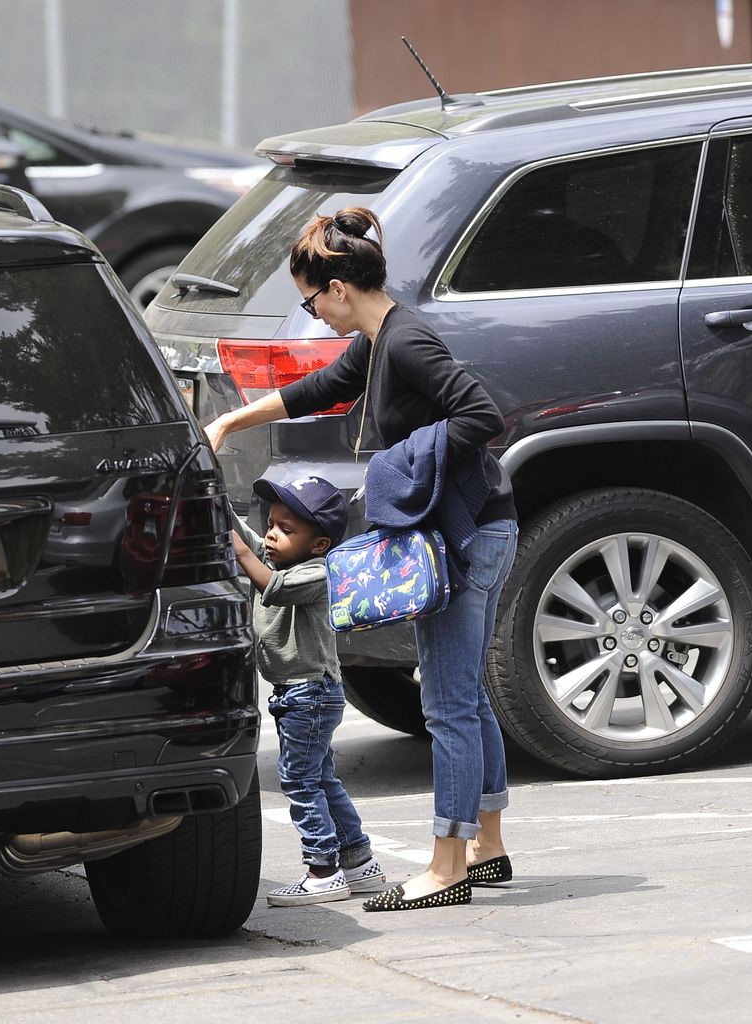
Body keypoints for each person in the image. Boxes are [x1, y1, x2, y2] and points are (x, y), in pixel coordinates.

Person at [207, 207, 518, 912]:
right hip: (472, 529)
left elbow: (480, 416)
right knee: (463, 696)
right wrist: (230, 419)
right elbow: (321, 389)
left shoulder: (406, 343)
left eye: (311, 298)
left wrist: (399, 467)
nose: (312, 312)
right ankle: (487, 846)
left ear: (339, 287)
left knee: (445, 705)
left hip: (467, 535)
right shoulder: (379, 341)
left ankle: (447, 865)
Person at [232, 473, 386, 906]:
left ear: (318, 543)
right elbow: (243, 534)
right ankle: (359, 862)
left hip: (310, 693)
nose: (270, 534)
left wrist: (242, 550)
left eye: (286, 529)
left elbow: (274, 589)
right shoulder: (278, 556)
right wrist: (213, 497)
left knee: (298, 781)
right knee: (321, 778)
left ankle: (322, 870)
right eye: (271, 523)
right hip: (297, 693)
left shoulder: (319, 571)